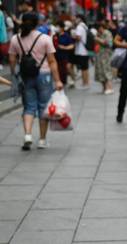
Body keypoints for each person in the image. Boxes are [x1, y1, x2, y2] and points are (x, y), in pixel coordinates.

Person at [10, 11, 62, 150]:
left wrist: (15, 76)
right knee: (43, 107)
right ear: (37, 23)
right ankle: (42, 139)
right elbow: (52, 61)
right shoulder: (45, 38)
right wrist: (57, 80)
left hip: (26, 76)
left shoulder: (16, 39)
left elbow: (12, 60)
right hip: (44, 75)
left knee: (28, 107)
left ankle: (27, 135)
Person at [93, 20, 114, 94]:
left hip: (106, 55)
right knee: (101, 70)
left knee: (106, 69)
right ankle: (104, 88)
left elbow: (109, 43)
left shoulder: (107, 33)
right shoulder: (101, 33)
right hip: (100, 54)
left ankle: (110, 88)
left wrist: (98, 39)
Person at [71, 14, 90, 90]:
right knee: (85, 68)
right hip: (85, 50)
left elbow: (78, 37)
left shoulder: (79, 27)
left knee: (83, 68)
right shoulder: (85, 26)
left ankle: (85, 83)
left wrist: (73, 36)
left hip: (81, 50)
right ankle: (86, 82)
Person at [54, 21, 73, 86]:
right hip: (56, 55)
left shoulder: (66, 36)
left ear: (61, 28)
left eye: (58, 27)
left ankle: (63, 83)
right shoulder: (55, 35)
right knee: (57, 69)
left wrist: (64, 48)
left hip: (64, 55)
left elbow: (71, 45)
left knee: (64, 70)